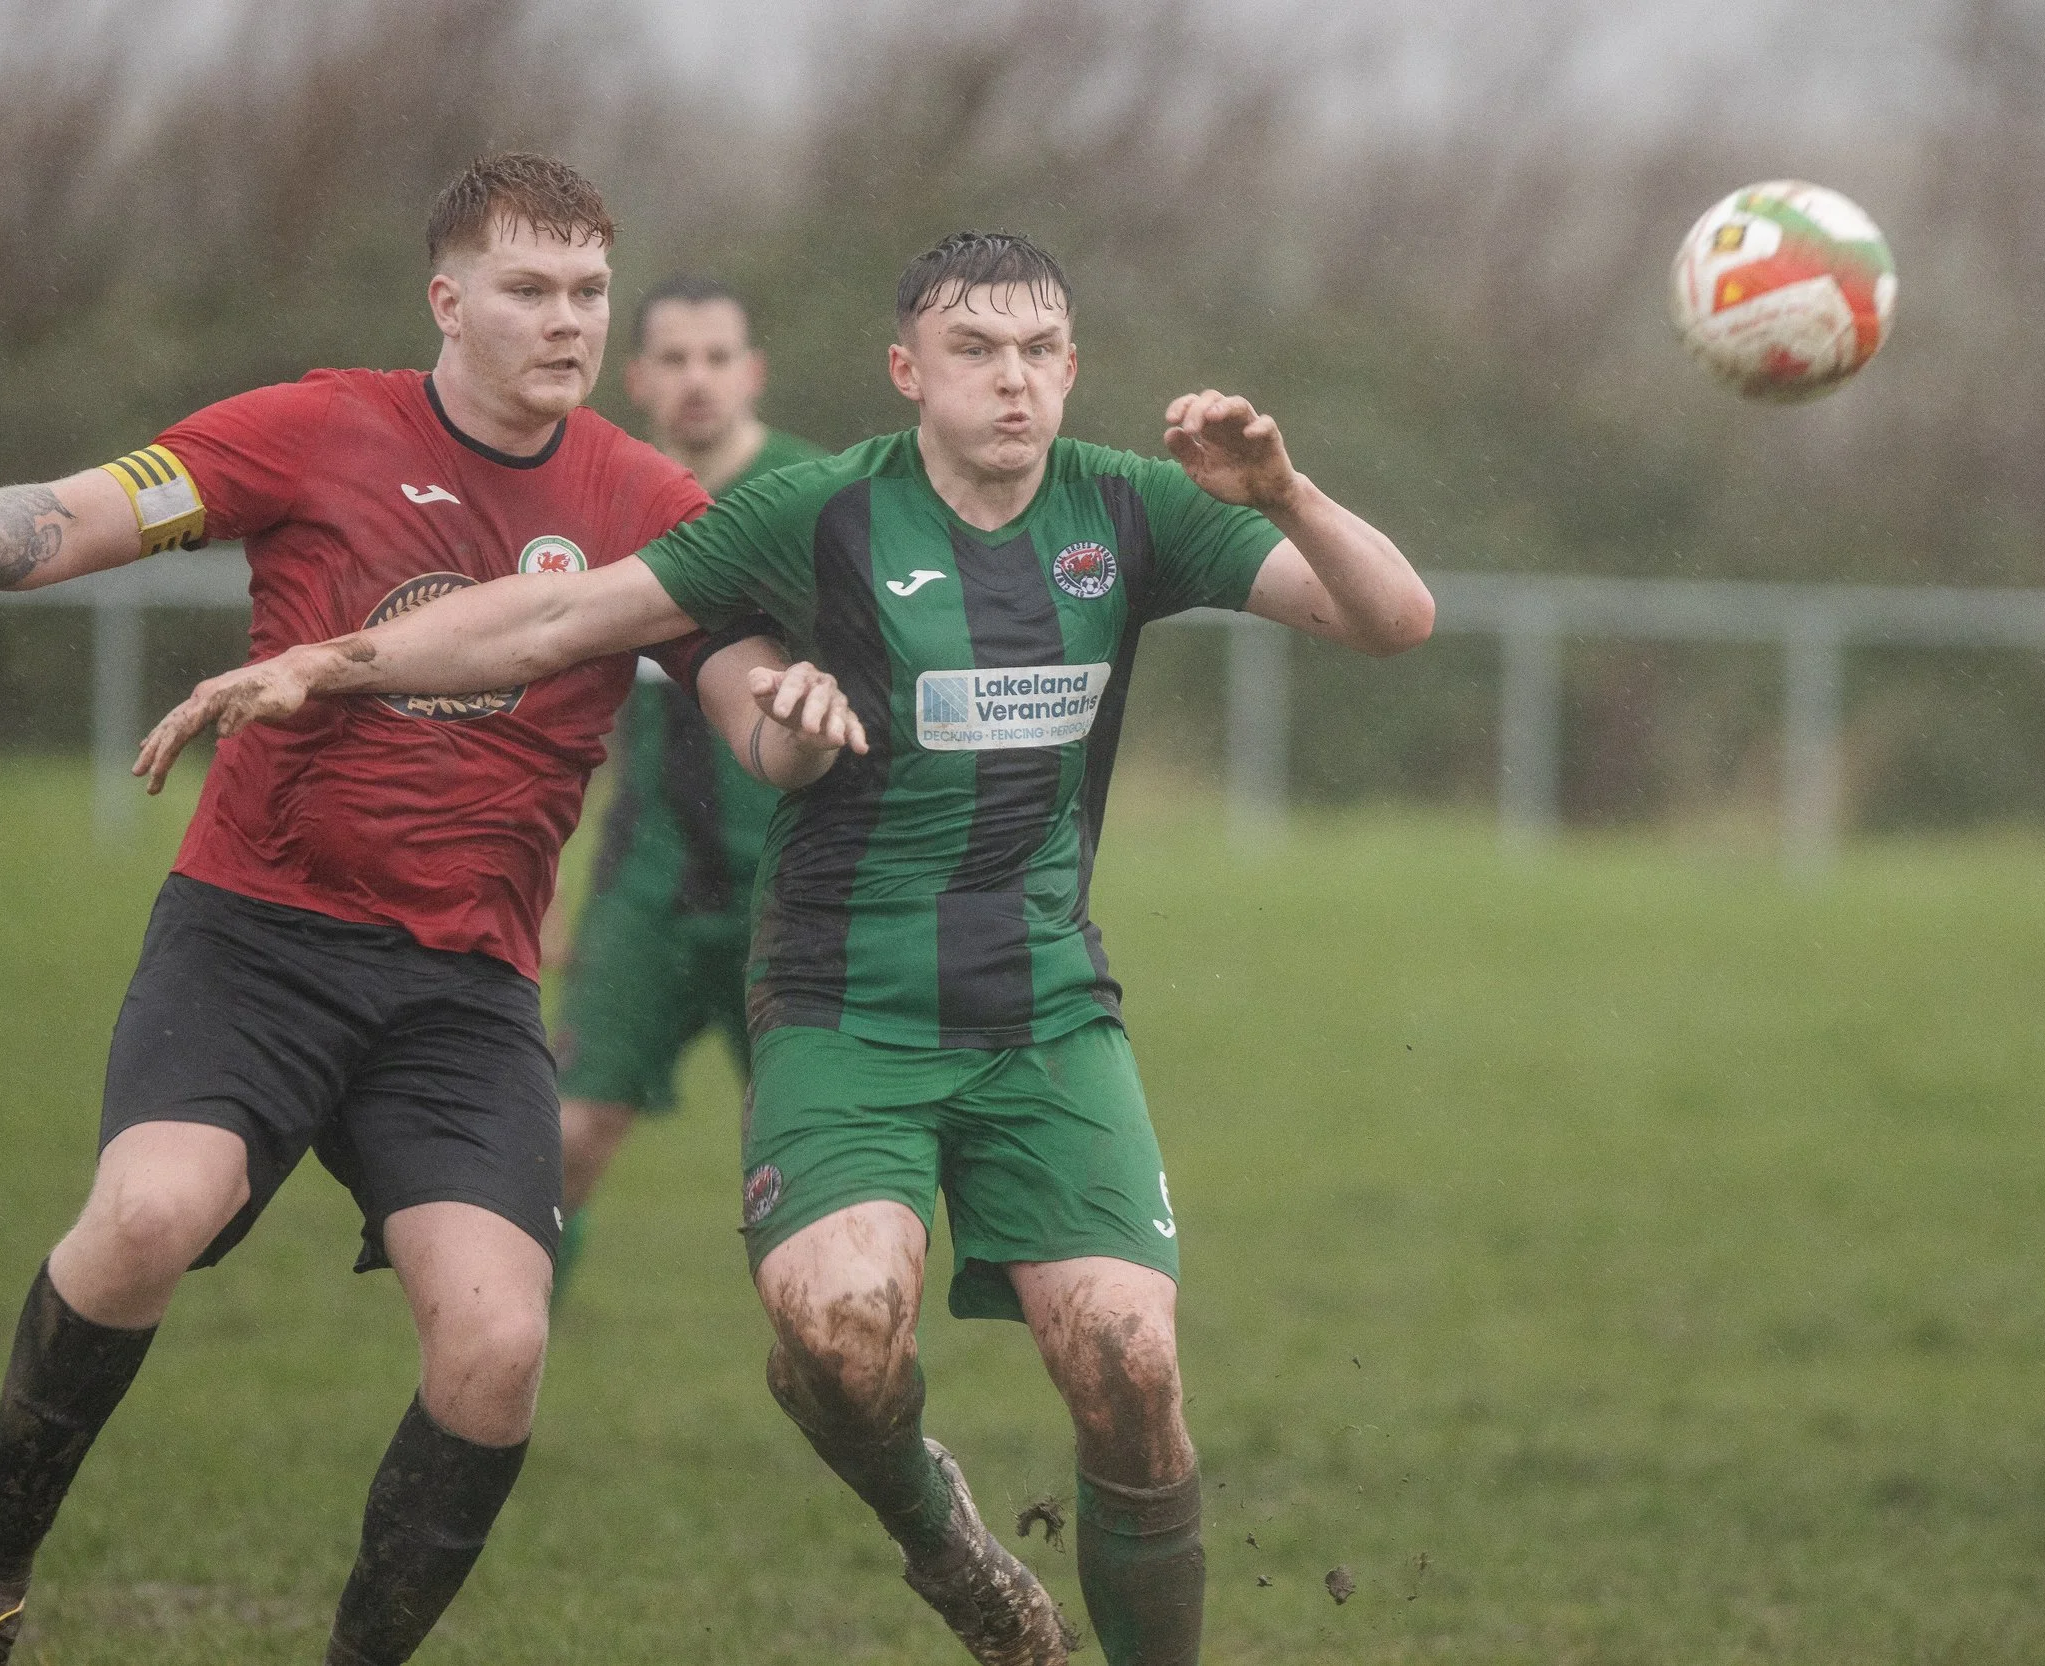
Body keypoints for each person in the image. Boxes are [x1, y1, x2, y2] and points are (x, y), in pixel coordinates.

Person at [135, 229, 1437, 1666]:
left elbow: (1394, 620)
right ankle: (944, 1539)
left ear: (1073, 367)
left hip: (1047, 1012)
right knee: (842, 1333)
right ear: (907, 371)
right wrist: (331, 658)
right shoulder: (818, 514)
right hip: (840, 1011)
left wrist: (1287, 493)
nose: (1014, 380)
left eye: (1039, 351)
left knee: (1130, 1366)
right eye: (975, 351)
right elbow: (567, 612)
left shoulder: (1128, 508)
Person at [0, 154, 847, 1666]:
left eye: (589, 290)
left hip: (462, 987)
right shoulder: (318, 423)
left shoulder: (643, 498)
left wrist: (799, 711)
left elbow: (753, 715)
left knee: (500, 1344)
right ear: (447, 298)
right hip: (253, 939)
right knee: (148, 1212)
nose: (567, 320)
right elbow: (90, 510)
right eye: (530, 289)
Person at [548, 276, 827, 1296]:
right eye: (674, 358)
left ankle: (842, 1376)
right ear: (637, 379)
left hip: (795, 890)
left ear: (751, 372)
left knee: (804, 1170)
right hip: (649, 885)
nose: (697, 379)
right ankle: (505, 1356)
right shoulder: (601, 503)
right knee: (563, 1137)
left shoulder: (818, 493)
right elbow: (562, 716)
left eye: (717, 357)